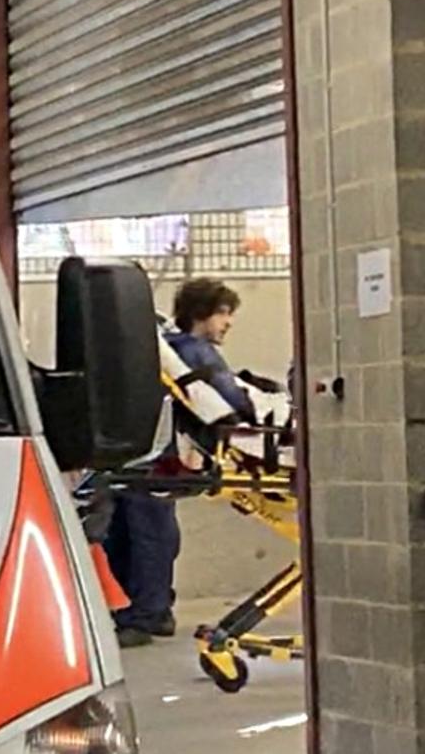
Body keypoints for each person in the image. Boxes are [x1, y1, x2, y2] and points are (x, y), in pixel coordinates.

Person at [106, 277, 263, 649]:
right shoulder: (195, 353)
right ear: (201, 313)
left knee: (139, 533)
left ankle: (147, 610)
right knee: (151, 534)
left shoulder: (160, 348)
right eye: (223, 313)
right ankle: (150, 611)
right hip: (160, 454)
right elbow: (234, 403)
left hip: (140, 452)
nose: (229, 322)